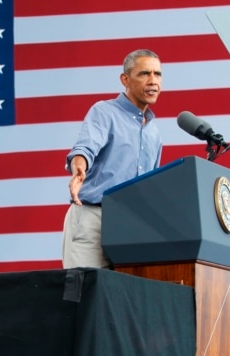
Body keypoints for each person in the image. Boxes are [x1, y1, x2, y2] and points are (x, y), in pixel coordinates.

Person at [61, 49, 163, 269]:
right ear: (125, 79)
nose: (153, 81)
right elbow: (84, 148)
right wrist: (79, 168)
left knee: (121, 300)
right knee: (86, 294)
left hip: (131, 228)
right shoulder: (104, 112)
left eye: (158, 74)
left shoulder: (154, 132)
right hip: (93, 219)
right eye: (145, 73)